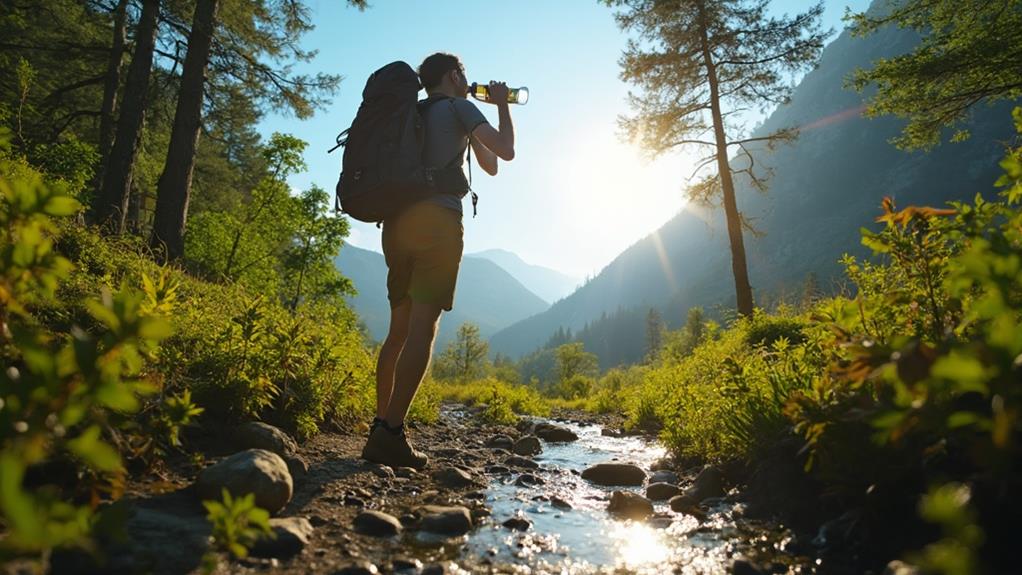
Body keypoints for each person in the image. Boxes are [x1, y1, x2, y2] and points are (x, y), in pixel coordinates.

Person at [361, 52, 516, 469]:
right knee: (422, 330)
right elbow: (505, 152)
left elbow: (488, 165)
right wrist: (500, 104)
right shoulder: (459, 107)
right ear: (453, 75)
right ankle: (391, 433)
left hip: (396, 225)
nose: (468, 80)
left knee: (397, 333)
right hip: (437, 224)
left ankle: (381, 423)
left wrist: (472, 120)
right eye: (463, 73)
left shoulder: (411, 114)